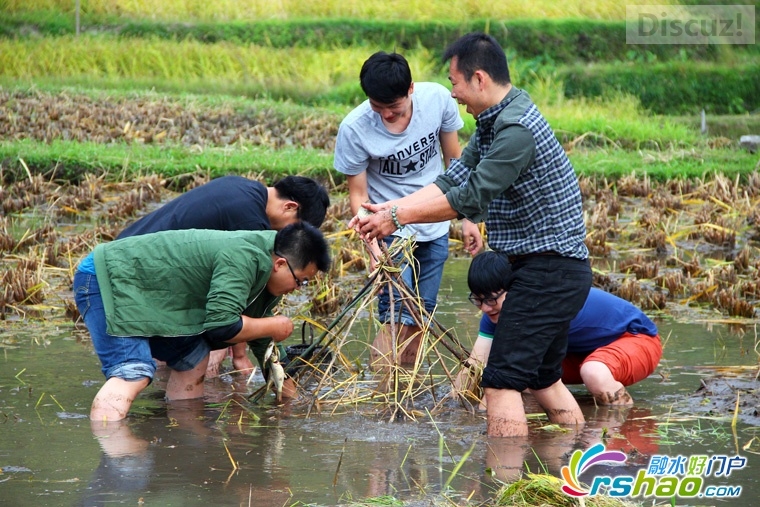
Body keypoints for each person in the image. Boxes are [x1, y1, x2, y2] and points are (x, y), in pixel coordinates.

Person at [351, 33, 592, 437]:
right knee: (543, 379)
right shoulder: (496, 119)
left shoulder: (516, 130)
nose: (453, 92)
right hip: (545, 268)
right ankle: (576, 460)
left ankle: (505, 487)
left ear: (479, 78)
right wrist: (389, 211)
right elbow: (455, 177)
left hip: (550, 271)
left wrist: (398, 216)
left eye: (455, 82)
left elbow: (472, 196)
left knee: (499, 383)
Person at [73, 222, 331, 421]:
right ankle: (114, 470)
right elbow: (222, 327)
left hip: (149, 296)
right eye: (301, 281)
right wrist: (273, 326)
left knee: (193, 359)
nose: (299, 288)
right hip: (108, 278)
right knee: (134, 372)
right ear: (281, 264)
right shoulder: (244, 256)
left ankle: (184, 441)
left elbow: (264, 346)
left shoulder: (267, 275)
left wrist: (293, 404)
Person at [334, 51, 478, 370]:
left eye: (394, 108)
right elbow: (358, 196)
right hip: (389, 230)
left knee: (420, 315)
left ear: (410, 89)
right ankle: (385, 395)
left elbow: (456, 162)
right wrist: (372, 246)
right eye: (377, 107)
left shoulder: (438, 100)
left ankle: (404, 392)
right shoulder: (354, 129)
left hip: (434, 223)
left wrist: (468, 218)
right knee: (395, 315)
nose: (385, 115)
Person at [117, 175, 330, 378]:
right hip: (135, 272)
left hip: (131, 251)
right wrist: (239, 355)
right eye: (295, 228)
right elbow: (242, 300)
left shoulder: (243, 188)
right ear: (290, 207)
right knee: (206, 351)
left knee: (180, 352)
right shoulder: (251, 226)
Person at [456, 251, 662, 408]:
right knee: (520, 374)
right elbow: (475, 362)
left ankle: (627, 420)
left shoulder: (543, 303)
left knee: (594, 372)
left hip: (636, 339)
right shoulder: (495, 313)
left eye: (491, 299)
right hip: (579, 353)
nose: (484, 307)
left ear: (515, 288)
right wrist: (452, 404)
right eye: (477, 299)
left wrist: (485, 407)